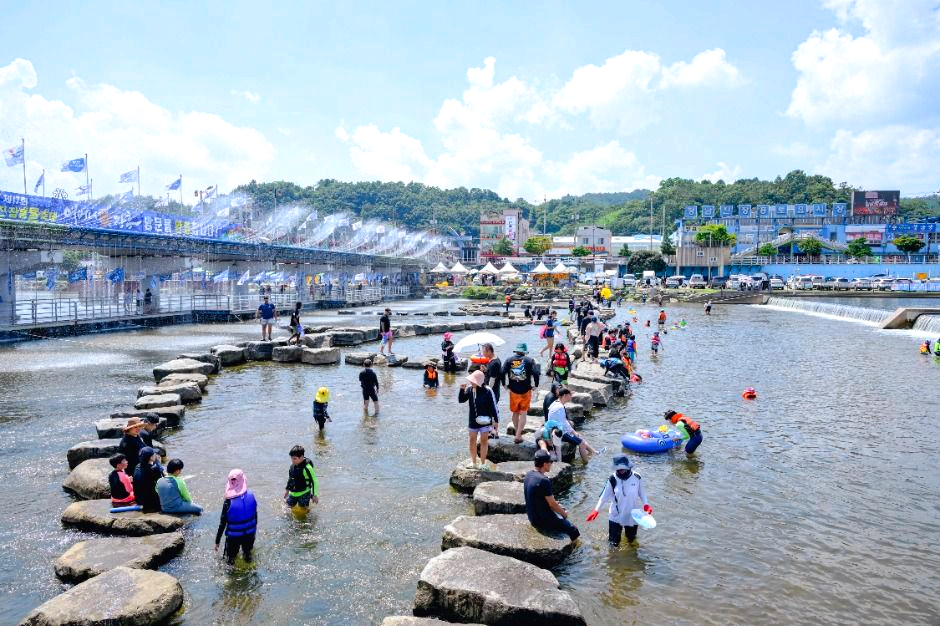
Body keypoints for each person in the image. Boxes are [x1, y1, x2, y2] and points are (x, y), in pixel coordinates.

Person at [586, 455, 652, 546]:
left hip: (632, 515)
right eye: (618, 469)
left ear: (628, 467)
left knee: (631, 541)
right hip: (615, 515)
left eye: (623, 469)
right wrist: (596, 510)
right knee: (613, 543)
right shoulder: (612, 479)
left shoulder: (637, 478)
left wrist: (646, 504)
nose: (621, 471)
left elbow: (642, 494)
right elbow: (604, 497)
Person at [523, 450, 580, 540]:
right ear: (545, 464)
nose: (551, 464)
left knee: (559, 508)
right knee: (574, 530)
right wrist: (564, 514)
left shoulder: (528, 475)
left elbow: (538, 498)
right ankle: (574, 549)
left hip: (532, 517)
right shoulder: (544, 480)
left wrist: (558, 506)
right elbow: (552, 505)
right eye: (551, 462)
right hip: (542, 521)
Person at [541, 387, 598, 461]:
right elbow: (563, 424)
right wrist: (573, 432)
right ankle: (586, 464)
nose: (571, 396)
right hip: (559, 433)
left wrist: (573, 432)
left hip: (553, 430)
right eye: (570, 395)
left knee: (579, 438)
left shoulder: (556, 403)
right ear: (564, 395)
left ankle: (593, 452)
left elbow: (563, 421)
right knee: (581, 443)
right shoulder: (560, 407)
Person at [215, 469, 258, 565]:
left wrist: (217, 541)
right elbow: (255, 516)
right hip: (249, 534)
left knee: (229, 560)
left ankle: (231, 579)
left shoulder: (228, 501)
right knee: (248, 555)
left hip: (234, 537)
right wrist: (253, 532)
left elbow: (222, 523)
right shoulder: (251, 495)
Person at [502, 343, 539, 444]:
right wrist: (536, 384)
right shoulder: (529, 360)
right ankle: (518, 435)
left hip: (513, 391)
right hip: (525, 391)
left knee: (515, 413)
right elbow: (536, 372)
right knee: (523, 413)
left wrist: (504, 384)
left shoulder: (509, 360)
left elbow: (502, 372)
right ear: (524, 351)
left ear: (516, 350)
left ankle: (518, 434)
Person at [459, 370, 497, 468]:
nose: (471, 382)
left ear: (479, 382)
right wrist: (461, 390)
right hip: (473, 420)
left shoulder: (487, 391)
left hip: (485, 421)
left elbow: (493, 406)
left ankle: (483, 463)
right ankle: (474, 462)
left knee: (484, 441)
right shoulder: (470, 390)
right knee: (472, 440)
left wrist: (495, 420)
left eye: (473, 381)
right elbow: (461, 400)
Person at [132, 447, 164, 513]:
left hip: (139, 500)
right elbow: (161, 484)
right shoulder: (154, 469)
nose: (155, 455)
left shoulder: (137, 467)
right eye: (154, 454)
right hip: (151, 503)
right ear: (151, 458)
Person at [481, 343, 502, 437]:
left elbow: (493, 379)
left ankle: (494, 431)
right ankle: (491, 430)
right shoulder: (492, 361)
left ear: (489, 351)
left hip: (492, 391)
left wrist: (487, 391)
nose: (483, 353)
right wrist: (485, 370)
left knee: (492, 411)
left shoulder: (494, 363)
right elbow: (490, 374)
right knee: (490, 410)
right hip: (492, 390)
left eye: (484, 351)